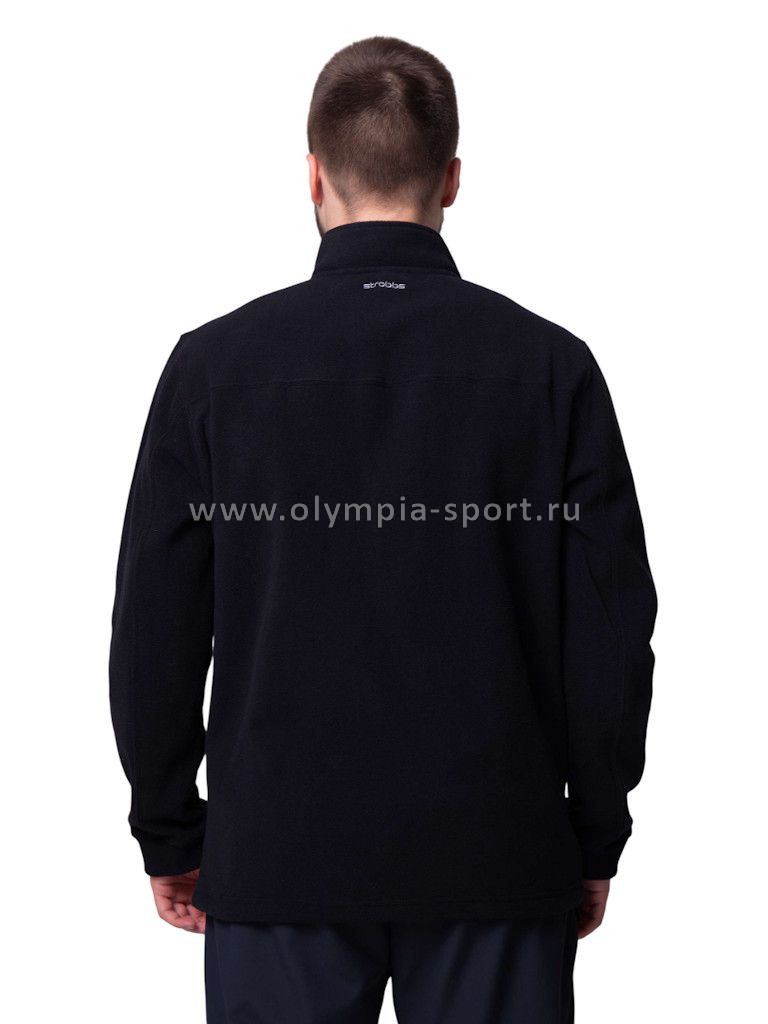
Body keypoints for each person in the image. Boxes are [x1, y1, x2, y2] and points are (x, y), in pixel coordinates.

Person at [109, 35, 656, 1024]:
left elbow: (154, 625)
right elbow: (611, 629)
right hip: (498, 855)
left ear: (313, 176)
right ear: (452, 180)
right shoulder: (552, 369)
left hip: (280, 861)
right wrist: (593, 832)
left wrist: (169, 828)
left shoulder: (213, 369)